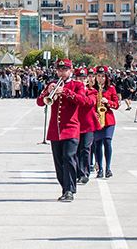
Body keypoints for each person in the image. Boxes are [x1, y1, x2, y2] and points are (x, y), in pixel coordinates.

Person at [36, 59, 91, 202]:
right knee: (59, 161)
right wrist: (47, 92)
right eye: (59, 70)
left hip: (71, 128)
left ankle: (70, 190)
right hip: (55, 129)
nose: (62, 73)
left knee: (69, 157)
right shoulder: (51, 84)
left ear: (70, 71)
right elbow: (40, 102)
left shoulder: (77, 85)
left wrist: (65, 92)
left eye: (64, 70)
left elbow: (83, 101)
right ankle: (64, 187)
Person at [92, 66, 118, 178]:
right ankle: (100, 169)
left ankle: (108, 168)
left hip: (108, 119)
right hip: (96, 119)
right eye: (98, 76)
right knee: (97, 145)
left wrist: (108, 102)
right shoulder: (92, 89)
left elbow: (116, 105)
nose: (100, 79)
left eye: (103, 76)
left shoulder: (111, 88)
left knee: (107, 143)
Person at [74, 67, 99, 185]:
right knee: (75, 150)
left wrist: (81, 92)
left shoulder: (92, 91)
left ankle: (84, 173)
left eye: (84, 78)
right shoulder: (72, 91)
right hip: (75, 124)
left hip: (88, 124)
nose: (83, 81)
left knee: (85, 149)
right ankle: (77, 173)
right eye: (80, 78)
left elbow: (90, 102)